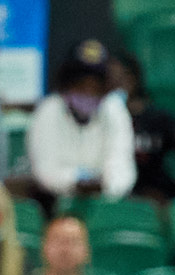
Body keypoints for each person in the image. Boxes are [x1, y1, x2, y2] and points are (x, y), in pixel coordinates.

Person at [28, 40, 136, 206]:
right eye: (81, 84)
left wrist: (105, 186)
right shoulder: (49, 109)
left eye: (95, 86)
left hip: (106, 204)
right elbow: (45, 170)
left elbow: (123, 168)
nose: (88, 91)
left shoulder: (114, 110)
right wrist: (76, 182)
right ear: (67, 83)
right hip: (54, 203)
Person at [110, 50, 175, 201]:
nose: (116, 84)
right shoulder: (98, 120)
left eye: (122, 78)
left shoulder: (157, 118)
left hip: (155, 193)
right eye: (110, 80)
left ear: (133, 79)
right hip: (112, 193)